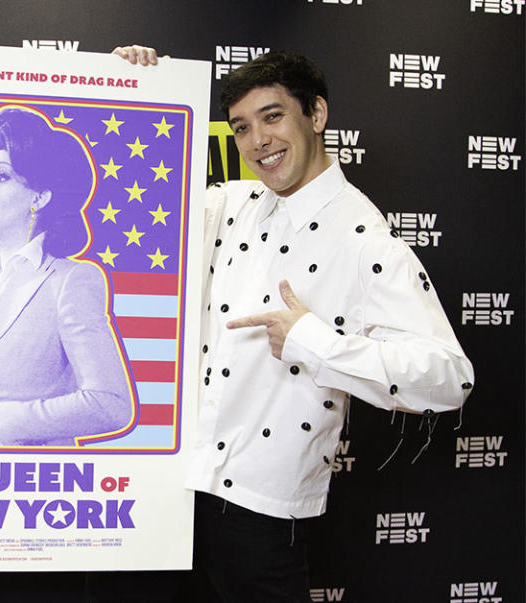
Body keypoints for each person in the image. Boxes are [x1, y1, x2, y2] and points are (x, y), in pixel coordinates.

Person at [114, 46, 474, 601]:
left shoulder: (363, 238)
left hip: (260, 517)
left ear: (316, 115)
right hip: (170, 492)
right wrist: (127, 83)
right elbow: (130, 192)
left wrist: (317, 342)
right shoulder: (228, 204)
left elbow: (449, 377)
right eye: (241, 127)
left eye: (273, 116)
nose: (258, 141)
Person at [0, 105, 135, 446]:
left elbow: (110, 405)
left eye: (1, 176)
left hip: (39, 482)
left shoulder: (71, 281)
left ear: (40, 196)